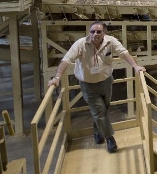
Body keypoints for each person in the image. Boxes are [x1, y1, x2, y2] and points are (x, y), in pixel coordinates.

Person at [47, 21, 146, 153]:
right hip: (88, 85)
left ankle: (97, 131)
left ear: (104, 33)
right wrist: (57, 77)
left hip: (106, 81)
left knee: (103, 108)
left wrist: (135, 66)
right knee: (99, 111)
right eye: (92, 31)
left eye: (99, 32)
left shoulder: (111, 41)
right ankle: (110, 138)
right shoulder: (81, 44)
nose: (95, 34)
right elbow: (66, 60)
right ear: (89, 32)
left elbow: (123, 53)